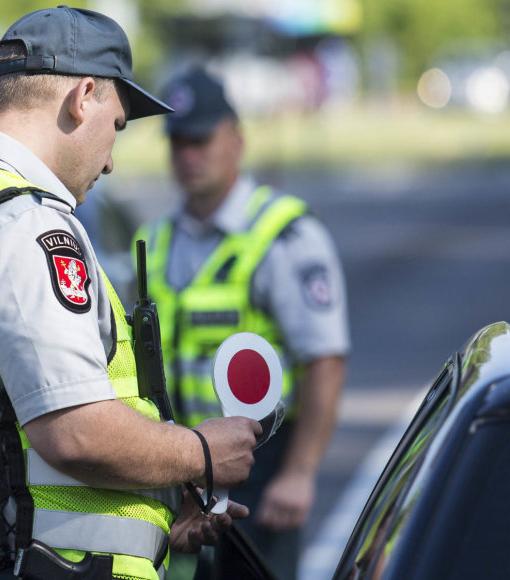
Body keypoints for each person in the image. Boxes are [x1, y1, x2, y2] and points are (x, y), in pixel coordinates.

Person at [0, 8, 261, 580]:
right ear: (83, 97)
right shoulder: (23, 225)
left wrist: (153, 509)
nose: (109, 158)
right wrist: (200, 454)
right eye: (117, 126)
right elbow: (74, 431)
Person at [133, 67, 350, 579]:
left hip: (259, 474)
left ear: (237, 139)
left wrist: (298, 474)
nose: (188, 155)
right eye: (178, 142)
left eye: (201, 139)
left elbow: (324, 360)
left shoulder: (284, 235)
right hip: (179, 470)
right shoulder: (156, 239)